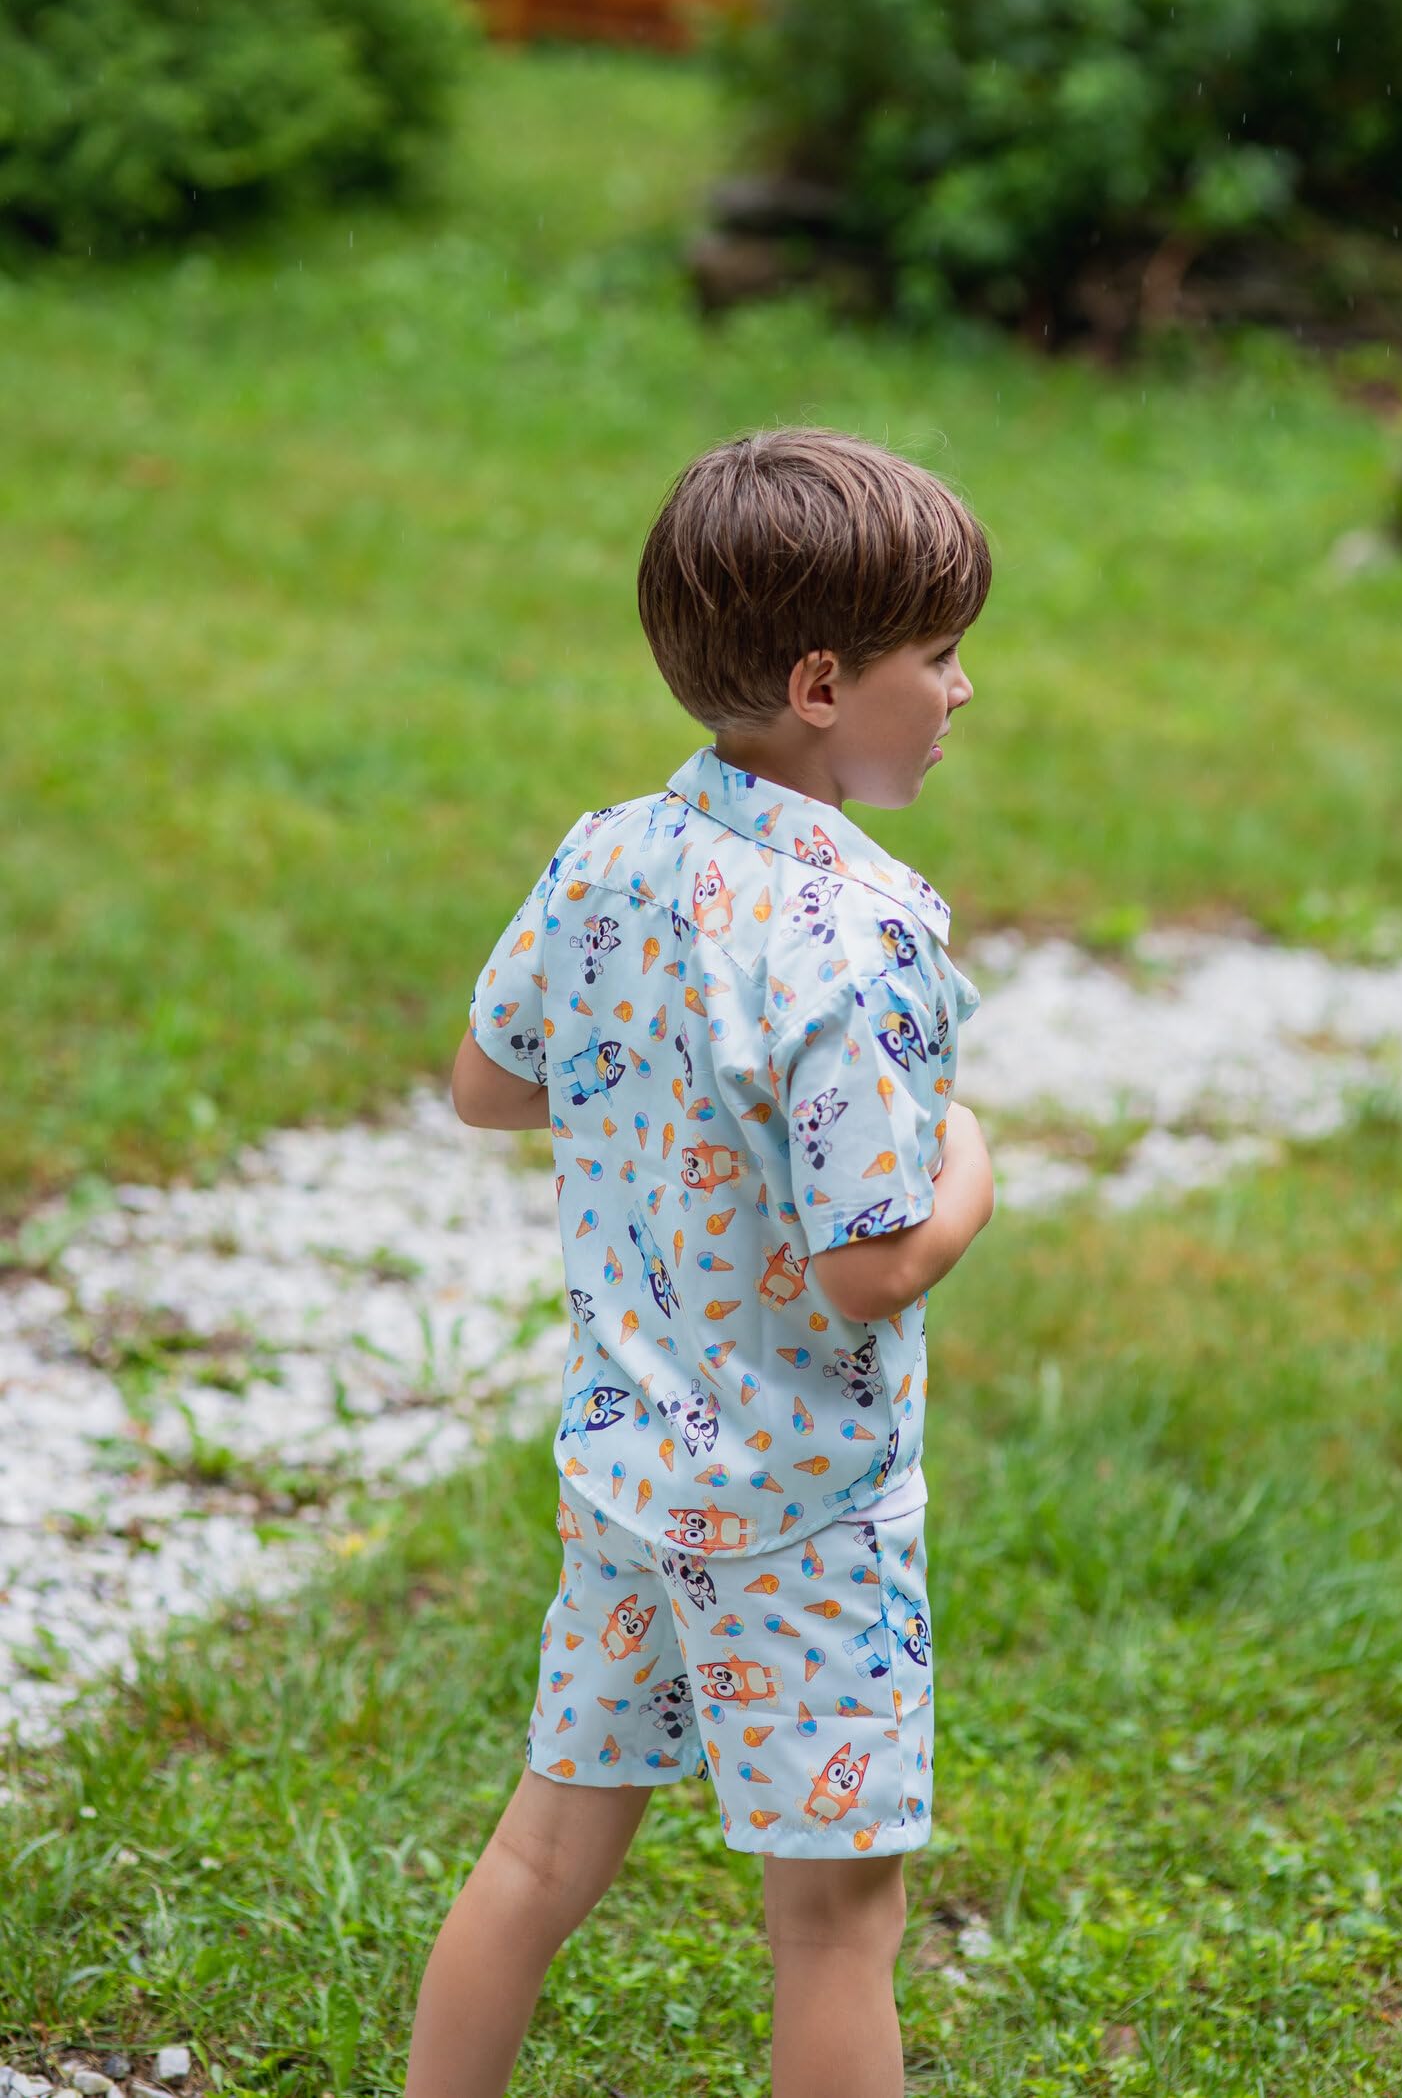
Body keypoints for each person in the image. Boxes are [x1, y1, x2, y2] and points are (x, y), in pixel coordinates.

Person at [404, 428, 998, 2098]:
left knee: (540, 1861)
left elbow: (485, 1085)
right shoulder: (853, 930)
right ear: (822, 682)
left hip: (628, 1480)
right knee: (833, 1925)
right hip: (803, 1513)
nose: (960, 692)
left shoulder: (606, 856)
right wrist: (974, 1167)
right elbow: (871, 1268)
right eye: (935, 657)